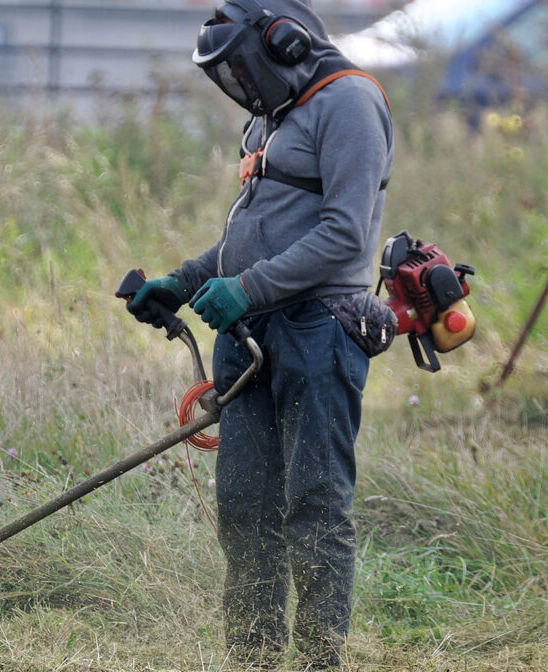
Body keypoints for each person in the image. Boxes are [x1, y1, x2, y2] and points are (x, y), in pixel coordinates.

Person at [127, 0, 394, 668]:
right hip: (250, 337)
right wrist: (184, 281)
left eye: (244, 67)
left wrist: (245, 289)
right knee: (245, 511)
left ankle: (317, 660)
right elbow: (251, 237)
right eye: (229, 75)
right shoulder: (270, 121)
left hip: (319, 331)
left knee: (314, 507)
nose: (241, 85)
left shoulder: (351, 104)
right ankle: (254, 659)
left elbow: (345, 236)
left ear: (285, 42)